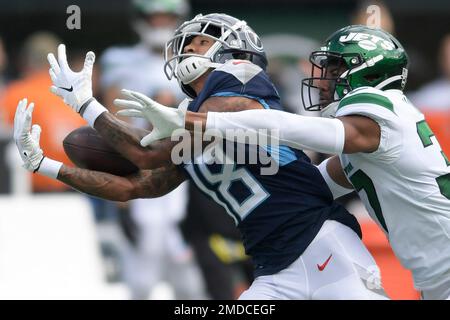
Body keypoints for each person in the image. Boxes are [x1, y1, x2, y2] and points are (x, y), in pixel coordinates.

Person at [16, 14, 387, 299]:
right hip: (274, 267)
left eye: (198, 42)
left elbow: (145, 154)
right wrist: (44, 165)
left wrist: (86, 104)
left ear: (234, 51)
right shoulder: (194, 114)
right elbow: (136, 187)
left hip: (319, 240)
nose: (188, 49)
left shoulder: (240, 85)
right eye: (188, 43)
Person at [149, 25, 450, 300]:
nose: (321, 79)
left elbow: (300, 130)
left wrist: (198, 121)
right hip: (435, 277)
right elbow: (307, 186)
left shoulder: (378, 106)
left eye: (333, 69)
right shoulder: (374, 141)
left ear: (366, 72)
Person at [98, 0, 205, 299]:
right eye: (154, 16)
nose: (160, 23)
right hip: (142, 164)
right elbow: (113, 118)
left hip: (188, 169)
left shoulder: (198, 59)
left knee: (189, 275)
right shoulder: (119, 59)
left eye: (167, 16)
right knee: (142, 272)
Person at [1, 32, 86, 193]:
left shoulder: (13, 94)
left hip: (30, 191)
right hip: (75, 187)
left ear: (24, 62)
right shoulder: (76, 95)